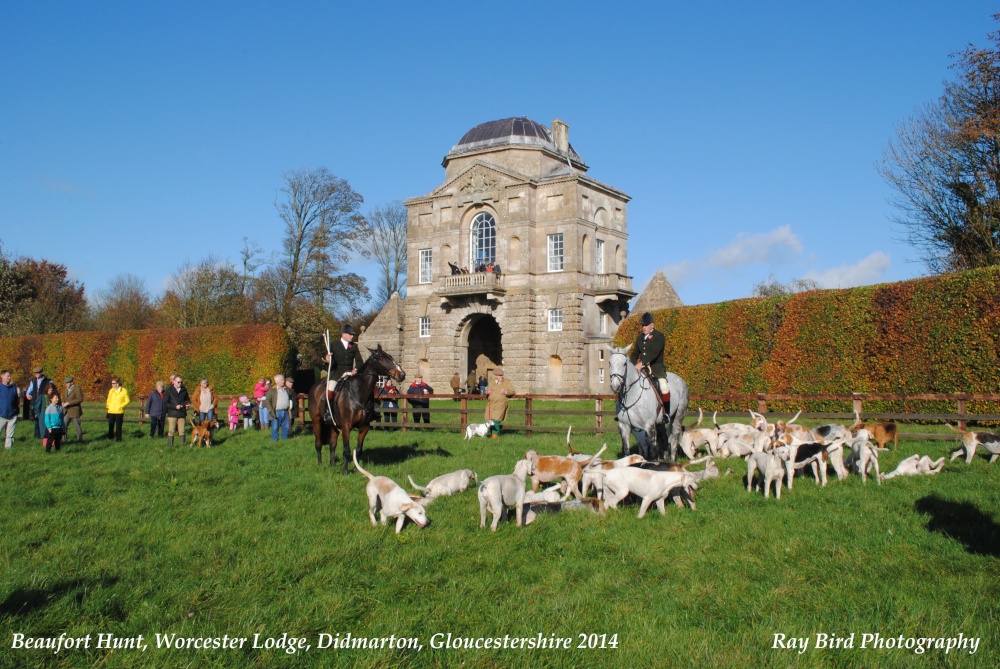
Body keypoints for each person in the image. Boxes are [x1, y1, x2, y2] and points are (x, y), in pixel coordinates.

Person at [629, 312, 669, 397]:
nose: (644, 327)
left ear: (652, 325)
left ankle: (667, 410)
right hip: (642, 369)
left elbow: (654, 353)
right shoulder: (640, 338)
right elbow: (635, 354)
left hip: (656, 369)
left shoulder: (659, 336)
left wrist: (642, 363)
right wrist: (630, 365)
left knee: (664, 388)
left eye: (646, 325)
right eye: (643, 325)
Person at [324, 323, 364, 397]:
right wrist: (328, 360)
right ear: (343, 334)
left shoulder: (354, 346)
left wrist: (355, 369)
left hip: (350, 374)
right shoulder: (333, 345)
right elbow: (330, 364)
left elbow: (359, 361)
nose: (352, 336)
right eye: (350, 334)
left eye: (352, 334)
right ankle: (328, 406)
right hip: (336, 374)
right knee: (330, 389)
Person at [485, 367, 515, 438]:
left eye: (501, 375)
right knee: (490, 420)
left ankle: (495, 437)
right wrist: (487, 392)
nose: (501, 377)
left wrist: (505, 392)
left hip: (501, 405)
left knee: (496, 420)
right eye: (499, 375)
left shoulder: (507, 382)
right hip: (491, 405)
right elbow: (487, 391)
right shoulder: (491, 382)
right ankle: (493, 435)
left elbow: (512, 391)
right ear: (495, 376)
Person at [25, 366, 51, 439]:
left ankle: (44, 434)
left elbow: (52, 390)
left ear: (42, 372)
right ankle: (37, 435)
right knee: (36, 418)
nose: (36, 374)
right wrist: (27, 395)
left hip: (44, 403)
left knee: (43, 418)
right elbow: (30, 389)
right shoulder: (33, 381)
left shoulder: (48, 381)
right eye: (35, 373)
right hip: (35, 402)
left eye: (38, 373)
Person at [164, 375, 190, 447]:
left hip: (182, 413)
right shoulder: (169, 390)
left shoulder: (184, 390)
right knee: (171, 431)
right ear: (173, 382)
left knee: (182, 431)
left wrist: (187, 404)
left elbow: (187, 399)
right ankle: (170, 446)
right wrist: (175, 407)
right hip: (172, 414)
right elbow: (165, 403)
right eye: (178, 382)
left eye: (181, 382)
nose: (180, 383)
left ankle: (183, 446)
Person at [263, 374, 291, 441]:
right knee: (275, 427)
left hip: (286, 411)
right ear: (276, 381)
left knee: (286, 427)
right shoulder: (272, 390)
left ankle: (285, 441)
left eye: (283, 379)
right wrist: (270, 410)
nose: (283, 381)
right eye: (281, 380)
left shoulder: (286, 389)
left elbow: (290, 398)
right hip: (276, 411)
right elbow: (267, 401)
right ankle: (274, 441)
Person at [105, 377, 130, 442]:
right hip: (111, 411)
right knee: (111, 425)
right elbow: (108, 399)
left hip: (119, 411)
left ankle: (119, 439)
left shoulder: (124, 391)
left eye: (113, 383)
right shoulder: (111, 390)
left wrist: (121, 406)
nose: (112, 384)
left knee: (118, 426)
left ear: (118, 384)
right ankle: (110, 438)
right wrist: (108, 406)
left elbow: (127, 400)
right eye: (111, 383)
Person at [0, 369, 20, 450]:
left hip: (12, 414)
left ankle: (8, 449)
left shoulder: (14, 388)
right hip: (1, 414)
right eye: (8, 376)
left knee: (10, 434)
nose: (9, 377)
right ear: (2, 376)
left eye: (10, 376)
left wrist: (16, 412)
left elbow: (16, 401)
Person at [63, 376, 84, 443]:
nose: (66, 384)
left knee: (77, 426)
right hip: (67, 411)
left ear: (71, 382)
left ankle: (80, 440)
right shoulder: (65, 389)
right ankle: (64, 440)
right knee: (64, 425)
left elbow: (80, 399)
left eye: (67, 383)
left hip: (75, 410)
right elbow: (64, 398)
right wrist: (63, 403)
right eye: (65, 383)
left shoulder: (77, 389)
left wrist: (69, 403)